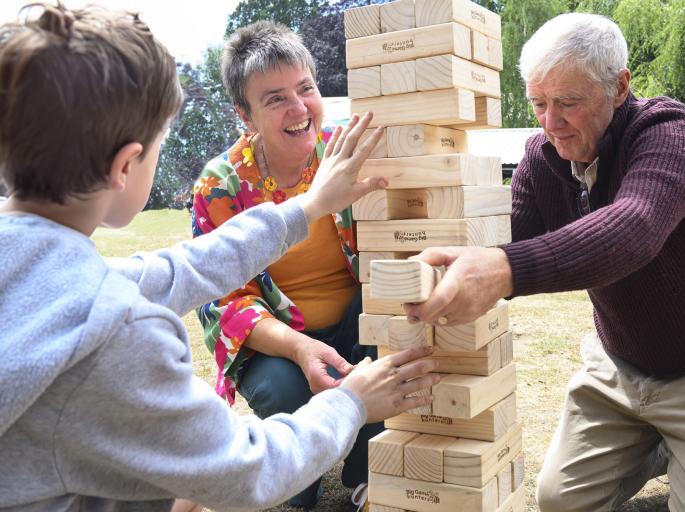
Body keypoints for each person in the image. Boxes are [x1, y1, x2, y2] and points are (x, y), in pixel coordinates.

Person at [0, 4, 441, 511]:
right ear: (126, 164)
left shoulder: (41, 265)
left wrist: (312, 204)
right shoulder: (118, 334)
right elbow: (245, 472)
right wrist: (353, 401)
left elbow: (183, 269)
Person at [404, 12, 685, 512]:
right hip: (621, 368)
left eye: (567, 103)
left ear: (619, 87)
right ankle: (662, 442)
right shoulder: (543, 157)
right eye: (538, 103)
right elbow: (508, 238)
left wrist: (505, 269)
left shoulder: (671, 133)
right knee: (558, 500)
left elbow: (634, 227)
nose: (551, 123)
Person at [191, 21, 380, 509]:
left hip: (353, 320)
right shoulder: (221, 186)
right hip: (278, 341)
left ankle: (367, 469)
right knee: (283, 387)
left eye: (306, 89)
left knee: (388, 332)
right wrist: (301, 350)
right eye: (275, 99)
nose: (299, 110)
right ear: (244, 114)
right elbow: (227, 303)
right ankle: (298, 477)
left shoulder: (344, 152)